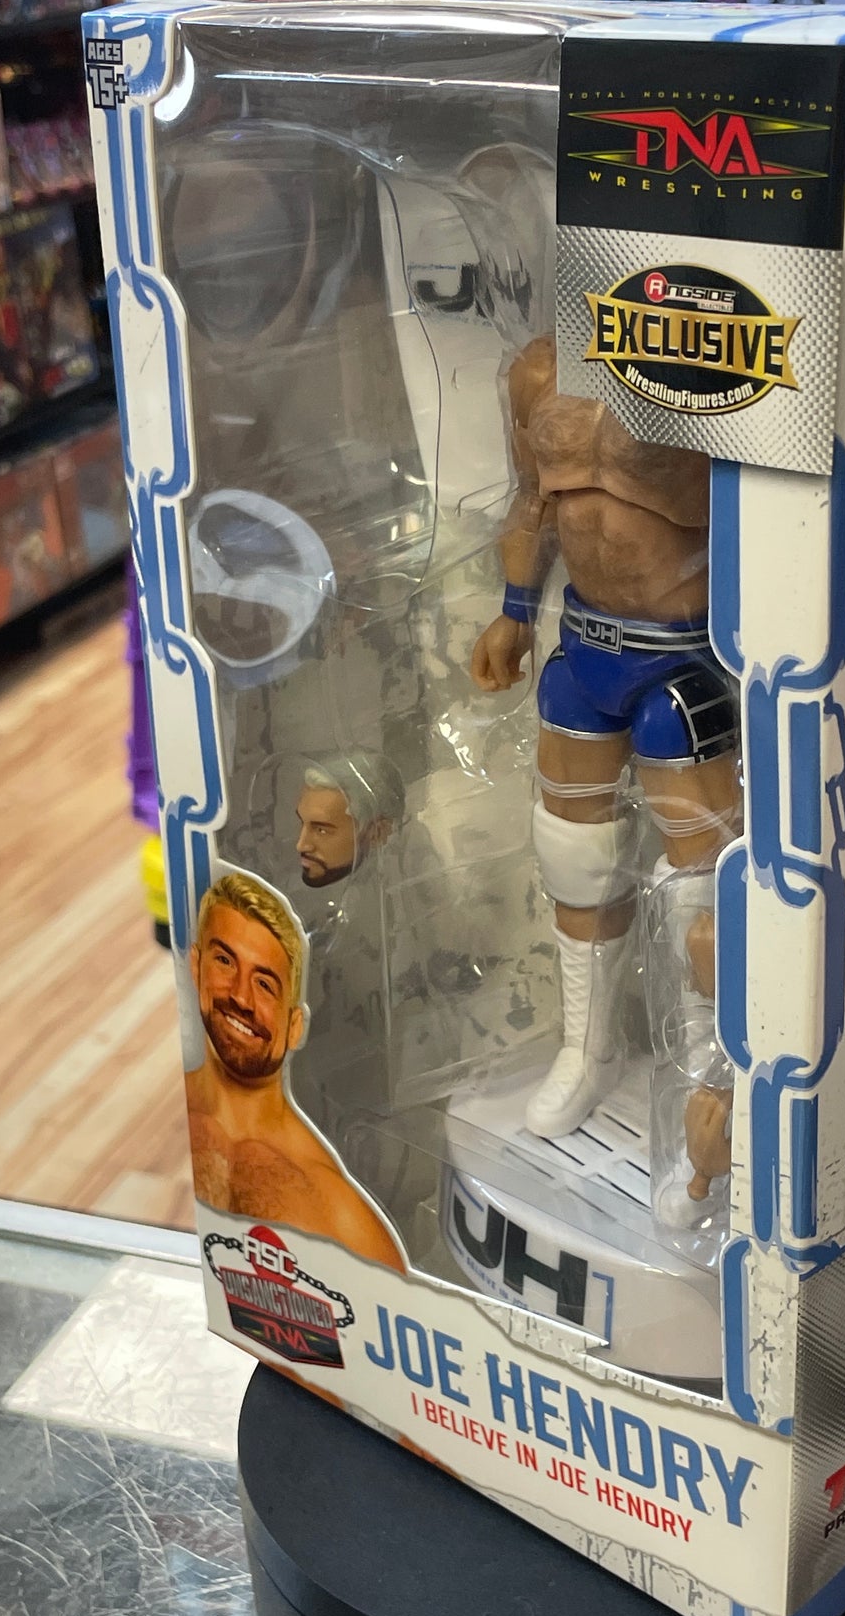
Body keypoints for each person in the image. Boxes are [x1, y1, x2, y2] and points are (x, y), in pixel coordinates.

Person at [471, 335, 739, 1181]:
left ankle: (708, 1073)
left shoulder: (722, 343)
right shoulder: (540, 368)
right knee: (574, 858)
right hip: (586, 646)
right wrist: (515, 611)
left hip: (690, 653)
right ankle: (588, 1048)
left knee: (702, 877)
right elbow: (531, 500)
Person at [184, 869, 406, 1268]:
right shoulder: (162, 1121)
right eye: (225, 961)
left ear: (294, 1026)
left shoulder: (335, 1210)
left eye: (265, 984)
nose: (241, 997)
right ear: (196, 965)